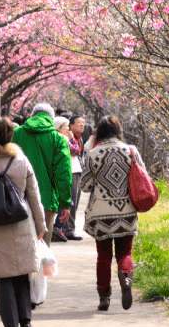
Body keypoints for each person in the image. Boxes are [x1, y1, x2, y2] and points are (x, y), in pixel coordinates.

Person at [0, 116, 46, 327]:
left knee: (3, 275)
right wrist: (41, 225)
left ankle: (10, 326)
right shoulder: (21, 161)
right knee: (22, 272)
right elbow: (34, 196)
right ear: (10, 136)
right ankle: (26, 321)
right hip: (22, 222)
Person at [80, 115, 143, 312]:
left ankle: (104, 297)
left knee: (104, 257)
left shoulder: (92, 154)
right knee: (125, 253)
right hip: (127, 211)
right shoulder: (131, 151)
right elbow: (142, 175)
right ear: (118, 130)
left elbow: (85, 186)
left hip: (101, 214)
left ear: (98, 132)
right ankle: (125, 279)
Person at [13, 103, 72, 246]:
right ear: (52, 120)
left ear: (32, 116)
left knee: (21, 247)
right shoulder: (57, 139)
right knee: (43, 248)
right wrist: (65, 203)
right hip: (46, 200)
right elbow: (63, 173)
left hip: (18, 198)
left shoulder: (16, 134)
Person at [62, 113, 87, 241]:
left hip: (77, 170)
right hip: (71, 171)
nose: (82, 125)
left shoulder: (79, 137)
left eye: (83, 122)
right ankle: (68, 230)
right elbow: (74, 151)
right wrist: (72, 139)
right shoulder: (67, 137)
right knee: (72, 201)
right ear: (71, 125)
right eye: (79, 122)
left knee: (75, 201)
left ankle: (67, 228)